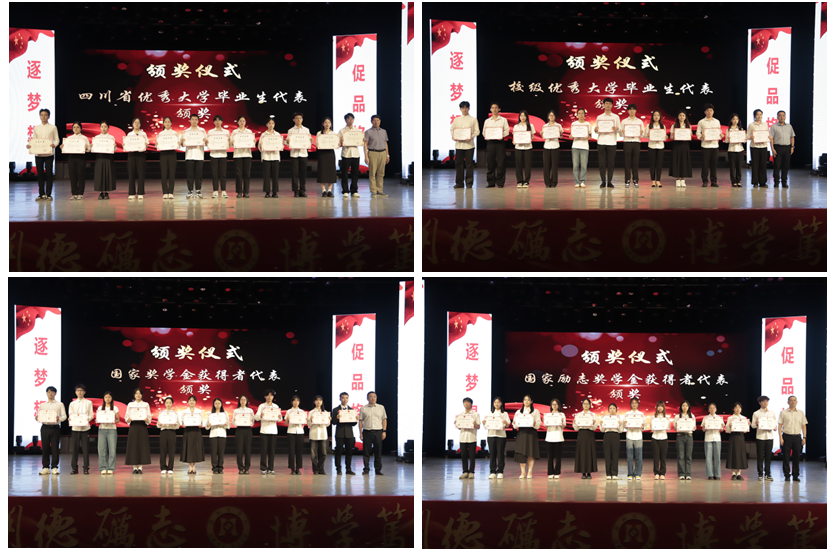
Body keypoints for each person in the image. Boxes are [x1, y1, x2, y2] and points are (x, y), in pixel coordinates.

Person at [28, 108, 59, 201]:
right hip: (39, 154)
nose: (43, 116)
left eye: (45, 115)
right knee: (40, 174)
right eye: (41, 115)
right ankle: (41, 194)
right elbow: (34, 140)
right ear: (40, 116)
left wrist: (54, 145)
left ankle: (49, 194)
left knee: (49, 174)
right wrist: (30, 145)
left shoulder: (53, 127)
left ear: (48, 116)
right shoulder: (36, 128)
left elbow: (57, 139)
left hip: (49, 154)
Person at [36, 386, 66, 474]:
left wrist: (59, 418)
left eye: (52, 392)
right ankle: (45, 467)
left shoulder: (60, 404)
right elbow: (40, 416)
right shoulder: (42, 405)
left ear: (55, 393)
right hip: (45, 427)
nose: (50, 393)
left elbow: (64, 416)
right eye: (48, 392)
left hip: (55, 428)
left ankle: (54, 467)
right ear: (46, 393)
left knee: (55, 448)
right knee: (45, 447)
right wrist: (37, 418)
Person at [777, 395, 807, 482]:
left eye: (794, 400)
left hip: (797, 437)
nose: (793, 402)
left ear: (796, 402)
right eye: (791, 400)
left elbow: (803, 426)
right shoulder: (783, 412)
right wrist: (781, 438)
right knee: (786, 457)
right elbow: (780, 425)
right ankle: (786, 475)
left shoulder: (801, 413)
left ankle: (795, 475)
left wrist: (804, 437)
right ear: (788, 402)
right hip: (786, 436)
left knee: (796, 457)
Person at [451, 101, 480, 189]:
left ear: (469, 108)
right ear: (460, 109)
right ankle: (459, 183)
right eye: (462, 107)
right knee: (458, 164)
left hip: (469, 145)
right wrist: (454, 136)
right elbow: (452, 129)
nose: (464, 109)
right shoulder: (456, 119)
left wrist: (471, 136)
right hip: (459, 145)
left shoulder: (473, 119)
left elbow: (477, 131)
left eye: (466, 107)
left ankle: (469, 183)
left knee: (469, 164)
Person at [594, 98, 621, 188]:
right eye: (606, 103)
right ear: (603, 105)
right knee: (602, 164)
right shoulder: (599, 117)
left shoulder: (616, 117)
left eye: (609, 103)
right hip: (601, 142)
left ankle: (609, 182)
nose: (608, 105)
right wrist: (595, 130)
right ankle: (603, 182)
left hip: (612, 142)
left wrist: (617, 128)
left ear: (612, 105)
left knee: (611, 164)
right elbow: (596, 130)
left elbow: (620, 129)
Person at [359, 390, 387, 475]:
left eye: (374, 397)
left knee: (378, 452)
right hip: (367, 432)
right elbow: (360, 421)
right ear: (367, 398)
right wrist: (361, 433)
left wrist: (384, 431)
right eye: (371, 397)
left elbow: (384, 419)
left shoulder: (381, 407)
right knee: (366, 452)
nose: (373, 398)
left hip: (378, 431)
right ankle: (366, 469)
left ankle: (378, 469)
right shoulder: (363, 408)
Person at [512, 394, 541, 478]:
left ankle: (530, 472)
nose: (526, 401)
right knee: (521, 453)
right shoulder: (518, 412)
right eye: (525, 400)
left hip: (531, 433)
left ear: (531, 401)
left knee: (531, 453)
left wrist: (535, 423)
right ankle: (523, 472)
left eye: (528, 400)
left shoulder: (535, 411)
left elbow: (538, 423)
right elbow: (515, 425)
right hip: (522, 433)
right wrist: (515, 424)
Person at [60, 121, 91, 200]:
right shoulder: (69, 138)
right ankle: (74, 193)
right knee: (72, 175)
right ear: (72, 129)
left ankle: (80, 193)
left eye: (78, 127)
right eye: (74, 127)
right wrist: (62, 147)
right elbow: (66, 149)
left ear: (81, 128)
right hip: (71, 158)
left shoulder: (84, 138)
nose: (76, 129)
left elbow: (89, 149)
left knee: (81, 175)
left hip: (81, 158)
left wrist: (87, 148)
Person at [68, 383, 94, 475]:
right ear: (75, 392)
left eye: (81, 390)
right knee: (74, 449)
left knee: (85, 449)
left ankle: (86, 468)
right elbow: (71, 415)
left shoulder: (88, 402)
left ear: (84, 392)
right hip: (75, 429)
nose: (79, 392)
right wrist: (70, 419)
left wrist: (86, 419)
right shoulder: (72, 403)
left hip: (85, 429)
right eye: (78, 390)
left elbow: (91, 415)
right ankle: (74, 468)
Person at [254, 389, 281, 474]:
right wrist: (260, 415)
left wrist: (279, 417)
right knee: (263, 450)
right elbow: (256, 417)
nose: (269, 397)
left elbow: (280, 419)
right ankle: (263, 468)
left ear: (273, 397)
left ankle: (271, 468)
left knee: (272, 451)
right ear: (265, 396)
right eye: (268, 395)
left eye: (271, 395)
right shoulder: (262, 406)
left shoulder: (276, 406)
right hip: (264, 431)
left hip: (273, 431)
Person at [483, 102, 510, 188]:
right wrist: (486, 136)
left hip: (500, 143)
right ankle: (491, 182)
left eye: (496, 108)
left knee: (501, 163)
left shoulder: (503, 120)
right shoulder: (487, 121)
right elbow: (484, 132)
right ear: (490, 109)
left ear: (499, 109)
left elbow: (507, 131)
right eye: (493, 108)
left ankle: (500, 182)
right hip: (490, 143)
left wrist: (501, 135)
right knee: (490, 163)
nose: (494, 109)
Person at [125, 387, 151, 474]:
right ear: (134, 395)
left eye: (140, 393)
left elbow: (149, 416)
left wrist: (147, 420)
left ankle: (140, 468)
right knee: (133, 446)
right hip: (133, 427)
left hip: (142, 427)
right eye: (136, 393)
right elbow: (126, 416)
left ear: (142, 395)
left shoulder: (146, 405)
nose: (138, 395)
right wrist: (128, 419)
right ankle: (134, 467)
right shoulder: (130, 405)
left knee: (142, 446)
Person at [181, 113, 207, 199]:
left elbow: (206, 143)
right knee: (190, 175)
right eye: (193, 119)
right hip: (189, 155)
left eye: (196, 119)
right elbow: (182, 144)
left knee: (199, 174)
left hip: (199, 155)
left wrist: (205, 141)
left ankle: (198, 190)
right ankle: (190, 191)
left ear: (198, 121)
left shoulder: (202, 131)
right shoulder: (186, 132)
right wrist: (182, 141)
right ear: (190, 120)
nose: (194, 121)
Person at [696, 103, 722, 187]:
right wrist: (701, 136)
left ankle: (714, 181)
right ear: (705, 112)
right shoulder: (701, 122)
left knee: (714, 165)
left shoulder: (717, 121)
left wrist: (721, 135)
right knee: (705, 165)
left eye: (711, 110)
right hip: (705, 146)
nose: (709, 112)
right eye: (708, 110)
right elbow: (697, 133)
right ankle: (705, 181)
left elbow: (719, 132)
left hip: (715, 146)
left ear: (713, 112)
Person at [751, 395, 777, 481]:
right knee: (760, 457)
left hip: (770, 437)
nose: (766, 403)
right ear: (760, 402)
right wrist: (756, 423)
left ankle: (768, 474)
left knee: (768, 456)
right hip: (760, 437)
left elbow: (774, 424)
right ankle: (760, 474)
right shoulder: (756, 413)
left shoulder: (772, 413)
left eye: (767, 401)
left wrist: (774, 427)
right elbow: (753, 425)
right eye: (764, 401)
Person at [364, 115, 390, 197]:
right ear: (371, 121)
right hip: (373, 152)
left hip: (383, 152)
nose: (376, 122)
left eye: (377, 120)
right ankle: (373, 191)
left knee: (381, 173)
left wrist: (387, 155)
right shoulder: (368, 132)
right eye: (374, 120)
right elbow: (365, 144)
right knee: (372, 173)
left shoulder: (384, 131)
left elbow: (385, 143)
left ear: (380, 121)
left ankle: (380, 190)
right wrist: (366, 156)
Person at [332, 392, 357, 475]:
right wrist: (336, 418)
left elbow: (353, 424)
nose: (345, 399)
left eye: (346, 398)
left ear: (348, 399)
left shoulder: (352, 410)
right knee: (338, 452)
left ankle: (348, 469)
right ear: (340, 399)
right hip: (340, 433)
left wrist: (356, 419)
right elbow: (333, 422)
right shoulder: (336, 410)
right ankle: (338, 469)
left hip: (349, 434)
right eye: (343, 397)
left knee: (349, 452)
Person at [287, 112, 311, 198]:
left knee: (303, 173)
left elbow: (309, 142)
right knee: (295, 174)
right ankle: (295, 191)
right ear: (293, 120)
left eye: (300, 118)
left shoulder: (306, 130)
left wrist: (310, 141)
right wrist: (287, 141)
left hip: (303, 154)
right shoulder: (290, 130)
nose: (298, 120)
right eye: (297, 118)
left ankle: (302, 190)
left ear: (302, 120)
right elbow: (287, 143)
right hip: (294, 154)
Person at [573, 398, 598, 479]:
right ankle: (583, 473)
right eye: (584, 404)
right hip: (581, 434)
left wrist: (593, 423)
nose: (586, 405)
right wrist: (574, 424)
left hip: (590, 434)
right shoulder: (578, 415)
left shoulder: (593, 415)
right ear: (582, 405)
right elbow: (576, 428)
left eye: (587, 404)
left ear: (590, 405)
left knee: (589, 453)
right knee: (582, 453)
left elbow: (595, 427)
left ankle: (589, 473)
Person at [179, 394, 205, 474]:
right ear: (188, 402)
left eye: (193, 400)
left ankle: (194, 467)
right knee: (188, 449)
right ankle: (190, 467)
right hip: (188, 431)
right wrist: (183, 424)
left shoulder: (199, 411)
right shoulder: (184, 412)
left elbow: (202, 421)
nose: (191, 402)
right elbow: (182, 421)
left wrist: (201, 424)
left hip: (197, 431)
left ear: (195, 402)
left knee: (196, 449)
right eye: (190, 400)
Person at [456, 397, 481, 479]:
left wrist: (473, 424)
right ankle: (465, 472)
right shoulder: (460, 415)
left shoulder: (475, 414)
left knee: (472, 456)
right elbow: (459, 427)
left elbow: (478, 426)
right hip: (463, 438)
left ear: (471, 404)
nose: (466, 403)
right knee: (463, 456)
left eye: (468, 402)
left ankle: (472, 472)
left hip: (472, 437)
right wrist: (457, 424)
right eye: (465, 402)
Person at [769, 110, 795, 188]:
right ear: (777, 117)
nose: (781, 117)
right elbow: (771, 139)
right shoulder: (773, 126)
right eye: (780, 115)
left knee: (785, 166)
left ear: (785, 117)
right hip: (777, 147)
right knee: (777, 166)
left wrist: (792, 147)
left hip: (787, 147)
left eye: (783, 115)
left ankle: (784, 182)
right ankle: (776, 182)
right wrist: (772, 149)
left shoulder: (789, 126)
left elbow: (792, 137)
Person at [486, 397, 511, 479]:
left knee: (500, 453)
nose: (496, 404)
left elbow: (508, 425)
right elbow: (486, 424)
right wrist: (484, 422)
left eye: (498, 402)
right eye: (495, 402)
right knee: (492, 454)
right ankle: (492, 471)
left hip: (501, 436)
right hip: (491, 435)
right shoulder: (490, 413)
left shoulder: (504, 414)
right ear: (493, 404)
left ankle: (500, 471)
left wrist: (506, 422)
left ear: (501, 404)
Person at [96, 390, 119, 475]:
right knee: (102, 450)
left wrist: (112, 420)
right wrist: (97, 420)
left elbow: (118, 420)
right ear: (103, 398)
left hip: (112, 429)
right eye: (106, 397)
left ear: (112, 398)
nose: (107, 398)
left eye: (109, 397)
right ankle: (103, 468)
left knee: (112, 450)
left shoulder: (115, 408)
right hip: (102, 429)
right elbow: (97, 419)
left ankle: (111, 468)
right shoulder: (100, 408)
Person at [338, 113, 361, 198]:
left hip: (355, 154)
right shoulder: (342, 131)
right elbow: (338, 144)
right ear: (345, 120)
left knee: (355, 173)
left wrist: (362, 140)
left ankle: (354, 190)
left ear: (353, 120)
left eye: (352, 118)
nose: (350, 120)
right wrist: (341, 142)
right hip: (346, 154)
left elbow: (360, 142)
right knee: (344, 173)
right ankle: (345, 191)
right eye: (348, 118)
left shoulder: (357, 131)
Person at [126, 117, 149, 201]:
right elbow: (127, 144)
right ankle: (131, 193)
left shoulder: (143, 134)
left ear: (140, 124)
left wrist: (145, 144)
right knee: (131, 174)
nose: (136, 124)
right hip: (131, 155)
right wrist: (125, 145)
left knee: (141, 174)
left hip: (141, 155)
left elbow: (147, 144)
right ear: (132, 124)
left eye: (138, 122)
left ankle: (140, 193)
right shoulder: (129, 134)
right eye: (135, 122)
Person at [700, 402, 725, 480]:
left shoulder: (719, 418)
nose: (712, 409)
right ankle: (710, 474)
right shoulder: (706, 418)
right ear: (708, 409)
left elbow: (722, 430)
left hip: (717, 438)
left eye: (713, 408)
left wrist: (722, 427)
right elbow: (703, 429)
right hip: (708, 438)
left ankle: (717, 474)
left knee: (717, 457)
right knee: (708, 457)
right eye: (710, 408)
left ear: (716, 409)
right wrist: (704, 427)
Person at [726, 402, 750, 480]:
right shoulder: (730, 418)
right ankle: (733, 473)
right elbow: (727, 430)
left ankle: (739, 473)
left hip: (740, 437)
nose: (738, 409)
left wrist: (748, 425)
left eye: (739, 407)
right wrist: (729, 426)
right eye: (736, 407)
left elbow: (745, 431)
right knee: (733, 454)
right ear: (733, 409)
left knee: (740, 454)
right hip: (733, 437)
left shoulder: (744, 418)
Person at [621, 104, 644, 188]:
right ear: (628, 111)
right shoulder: (624, 121)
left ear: (635, 111)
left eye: (633, 109)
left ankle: (635, 180)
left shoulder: (640, 121)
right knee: (627, 162)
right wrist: (622, 132)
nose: (632, 111)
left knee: (635, 162)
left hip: (636, 142)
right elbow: (620, 134)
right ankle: (627, 180)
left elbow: (643, 134)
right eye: (630, 109)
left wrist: (641, 133)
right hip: (627, 142)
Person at [208, 115, 230, 199]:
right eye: (216, 120)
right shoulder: (210, 132)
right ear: (214, 122)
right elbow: (208, 143)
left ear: (222, 122)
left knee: (223, 174)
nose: (217, 122)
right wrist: (206, 142)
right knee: (214, 174)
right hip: (213, 155)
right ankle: (215, 191)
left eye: (219, 120)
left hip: (223, 154)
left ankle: (223, 191)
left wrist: (230, 142)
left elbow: (229, 144)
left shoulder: (226, 132)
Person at [230, 116, 253, 198]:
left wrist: (253, 142)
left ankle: (246, 192)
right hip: (238, 155)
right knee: (238, 174)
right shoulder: (235, 132)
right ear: (238, 122)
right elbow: (230, 144)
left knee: (247, 174)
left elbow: (252, 143)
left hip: (247, 154)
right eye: (240, 121)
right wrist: (232, 142)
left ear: (245, 122)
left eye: (243, 121)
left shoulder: (249, 132)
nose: (242, 122)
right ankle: (239, 192)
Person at [623, 397, 645, 480]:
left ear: (638, 404)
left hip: (638, 436)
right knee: (629, 457)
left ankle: (637, 473)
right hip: (629, 436)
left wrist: (643, 426)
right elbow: (624, 426)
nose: (634, 404)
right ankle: (630, 474)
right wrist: (625, 424)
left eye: (636, 403)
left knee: (639, 456)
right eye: (633, 403)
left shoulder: (641, 414)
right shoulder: (627, 414)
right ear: (630, 404)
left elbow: (644, 425)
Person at [669, 111, 693, 187]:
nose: (682, 117)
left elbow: (690, 137)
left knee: (684, 162)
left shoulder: (688, 126)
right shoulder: (674, 126)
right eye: (680, 115)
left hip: (685, 146)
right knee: (676, 161)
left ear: (685, 117)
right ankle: (677, 180)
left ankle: (683, 180)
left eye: (683, 115)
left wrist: (690, 135)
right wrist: (673, 135)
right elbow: (671, 137)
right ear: (678, 117)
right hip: (676, 145)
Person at [206, 397, 230, 474]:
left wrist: (226, 424)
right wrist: (208, 425)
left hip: (222, 434)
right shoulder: (210, 414)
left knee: (221, 452)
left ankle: (220, 467)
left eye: (219, 403)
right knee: (213, 452)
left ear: (221, 404)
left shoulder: (225, 414)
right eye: (216, 403)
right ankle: (214, 468)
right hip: (213, 434)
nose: (217, 405)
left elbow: (228, 426)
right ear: (213, 404)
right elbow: (206, 427)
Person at [259, 118, 281, 198]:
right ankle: (267, 192)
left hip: (275, 156)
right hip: (266, 157)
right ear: (266, 125)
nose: (271, 125)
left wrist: (281, 144)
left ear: (274, 124)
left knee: (275, 175)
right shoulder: (263, 135)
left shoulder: (277, 134)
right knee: (266, 175)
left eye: (272, 123)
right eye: (269, 123)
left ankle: (275, 192)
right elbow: (260, 147)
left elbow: (280, 145)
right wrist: (260, 146)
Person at [93, 121, 116, 200]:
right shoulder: (96, 138)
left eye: (105, 126)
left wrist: (114, 146)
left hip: (108, 158)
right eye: (102, 126)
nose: (103, 128)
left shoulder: (111, 138)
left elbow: (114, 149)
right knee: (100, 175)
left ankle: (106, 192)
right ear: (100, 128)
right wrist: (92, 146)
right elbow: (93, 149)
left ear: (108, 128)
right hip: (100, 157)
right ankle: (100, 192)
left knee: (107, 174)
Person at [233, 395, 255, 474]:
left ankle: (247, 468)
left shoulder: (250, 411)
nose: (243, 401)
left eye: (244, 399)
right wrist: (235, 421)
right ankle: (240, 468)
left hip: (248, 430)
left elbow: (252, 422)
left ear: (247, 401)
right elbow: (233, 423)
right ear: (239, 401)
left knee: (248, 450)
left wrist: (251, 421)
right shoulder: (236, 411)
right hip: (239, 430)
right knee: (239, 450)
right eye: (241, 399)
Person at [157, 117, 179, 199]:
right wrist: (157, 145)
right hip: (163, 154)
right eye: (165, 122)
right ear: (163, 123)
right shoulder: (160, 134)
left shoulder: (175, 133)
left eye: (169, 122)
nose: (167, 123)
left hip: (172, 153)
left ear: (171, 123)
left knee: (172, 173)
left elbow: (178, 144)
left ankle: (171, 192)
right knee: (164, 173)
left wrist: (178, 144)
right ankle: (165, 192)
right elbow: (158, 145)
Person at [308, 395, 331, 474]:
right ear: (314, 402)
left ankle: (321, 468)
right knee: (313, 454)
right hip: (314, 434)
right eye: (317, 400)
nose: (318, 402)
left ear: (322, 402)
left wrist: (329, 420)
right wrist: (310, 420)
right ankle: (315, 470)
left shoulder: (325, 412)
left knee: (323, 454)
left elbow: (327, 425)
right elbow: (309, 424)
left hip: (323, 434)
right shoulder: (311, 412)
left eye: (320, 400)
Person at [600, 402, 622, 480]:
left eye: (613, 408)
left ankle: (614, 473)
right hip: (607, 435)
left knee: (615, 455)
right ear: (608, 410)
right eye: (610, 408)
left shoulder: (619, 418)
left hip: (615, 435)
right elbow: (602, 430)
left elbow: (621, 430)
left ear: (616, 410)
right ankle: (608, 473)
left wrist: (620, 425)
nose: (612, 410)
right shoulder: (604, 418)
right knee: (607, 455)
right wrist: (601, 424)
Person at [545, 398, 566, 480]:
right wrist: (546, 422)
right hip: (549, 437)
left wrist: (561, 422)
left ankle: (557, 472)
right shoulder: (548, 415)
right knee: (550, 456)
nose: (554, 406)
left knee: (558, 456)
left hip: (558, 437)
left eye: (556, 404)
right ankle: (550, 472)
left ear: (558, 405)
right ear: (551, 406)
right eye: (553, 404)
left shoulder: (561, 415)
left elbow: (563, 426)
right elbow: (546, 426)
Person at [643, 110, 665, 188]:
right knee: (652, 164)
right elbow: (645, 137)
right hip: (651, 146)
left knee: (659, 165)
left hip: (660, 146)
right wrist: (648, 135)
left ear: (660, 117)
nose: (656, 117)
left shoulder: (663, 126)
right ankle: (653, 181)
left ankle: (658, 181)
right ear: (652, 117)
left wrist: (665, 137)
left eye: (658, 115)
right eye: (655, 115)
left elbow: (664, 137)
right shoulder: (649, 126)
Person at [513, 110, 535, 188]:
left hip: (528, 147)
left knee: (527, 165)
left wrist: (528, 139)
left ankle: (526, 182)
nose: (523, 117)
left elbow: (532, 136)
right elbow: (514, 137)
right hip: (518, 147)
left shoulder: (531, 125)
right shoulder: (516, 126)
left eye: (524, 116)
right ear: (519, 117)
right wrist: (514, 141)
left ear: (527, 117)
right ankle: (519, 181)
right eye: (521, 116)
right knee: (518, 165)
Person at [747, 109, 769, 187]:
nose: (759, 116)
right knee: (755, 164)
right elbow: (747, 136)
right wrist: (751, 137)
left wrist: (768, 137)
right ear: (754, 116)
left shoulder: (765, 124)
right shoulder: (751, 125)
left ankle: (763, 182)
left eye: (760, 114)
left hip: (763, 146)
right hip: (754, 147)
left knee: (763, 164)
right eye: (757, 114)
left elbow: (767, 134)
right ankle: (755, 182)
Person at [316, 118, 337, 197]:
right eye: (325, 122)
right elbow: (316, 144)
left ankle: (330, 191)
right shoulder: (319, 133)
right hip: (322, 153)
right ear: (323, 124)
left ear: (331, 124)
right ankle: (323, 190)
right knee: (323, 171)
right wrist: (317, 144)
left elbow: (336, 143)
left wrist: (338, 144)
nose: (327, 124)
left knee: (331, 171)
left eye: (329, 122)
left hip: (330, 153)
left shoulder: (334, 134)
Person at [157, 396, 179, 474]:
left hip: (172, 432)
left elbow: (178, 426)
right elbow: (158, 425)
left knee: (171, 451)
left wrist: (175, 425)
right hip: (163, 432)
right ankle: (163, 467)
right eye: (167, 402)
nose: (168, 404)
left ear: (172, 404)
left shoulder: (175, 414)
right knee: (163, 450)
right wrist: (159, 424)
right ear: (165, 404)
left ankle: (170, 468)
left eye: (170, 402)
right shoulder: (161, 413)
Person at [674, 400, 695, 480]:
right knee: (681, 456)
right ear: (681, 407)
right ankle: (681, 474)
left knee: (688, 456)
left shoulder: (692, 416)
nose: (685, 407)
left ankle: (688, 474)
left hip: (689, 436)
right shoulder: (677, 417)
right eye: (683, 405)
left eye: (686, 405)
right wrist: (676, 426)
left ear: (688, 407)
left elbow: (693, 428)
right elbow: (675, 428)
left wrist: (694, 428)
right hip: (680, 436)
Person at [571, 109, 592, 188]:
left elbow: (590, 135)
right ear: (577, 115)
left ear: (584, 114)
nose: (581, 115)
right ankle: (577, 182)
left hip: (584, 146)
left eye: (582, 113)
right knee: (575, 166)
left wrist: (588, 137)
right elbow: (571, 135)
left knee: (583, 166)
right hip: (575, 146)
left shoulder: (588, 124)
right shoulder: (574, 124)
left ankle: (582, 181)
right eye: (579, 113)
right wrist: (571, 136)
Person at [542, 110, 563, 188]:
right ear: (548, 117)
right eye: (550, 115)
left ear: (555, 117)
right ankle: (547, 182)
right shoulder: (545, 126)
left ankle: (554, 182)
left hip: (555, 146)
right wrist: (542, 134)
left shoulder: (558, 126)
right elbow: (543, 137)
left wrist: (560, 133)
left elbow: (561, 137)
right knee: (546, 166)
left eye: (553, 115)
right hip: (547, 146)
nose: (551, 117)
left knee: (554, 166)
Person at [285, 394, 306, 474]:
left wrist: (305, 420)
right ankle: (292, 469)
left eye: (297, 400)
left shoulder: (302, 412)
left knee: (299, 451)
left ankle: (298, 468)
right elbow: (286, 423)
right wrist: (287, 419)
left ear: (299, 402)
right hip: (291, 432)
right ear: (292, 402)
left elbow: (304, 422)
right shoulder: (289, 411)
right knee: (291, 451)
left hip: (300, 432)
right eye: (294, 400)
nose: (296, 402)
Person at [725, 113, 746, 187]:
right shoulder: (728, 130)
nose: (735, 120)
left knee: (739, 166)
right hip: (731, 150)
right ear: (731, 120)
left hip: (740, 150)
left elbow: (743, 140)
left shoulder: (741, 129)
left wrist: (744, 139)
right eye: (733, 119)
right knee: (732, 167)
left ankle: (738, 180)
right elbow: (726, 141)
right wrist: (728, 139)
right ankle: (733, 181)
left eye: (737, 119)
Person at [650, 401, 670, 480]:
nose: (660, 408)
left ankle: (662, 473)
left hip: (664, 437)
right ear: (656, 407)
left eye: (662, 406)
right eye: (658, 406)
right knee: (656, 457)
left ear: (664, 408)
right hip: (655, 437)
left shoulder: (666, 417)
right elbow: (651, 429)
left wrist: (666, 426)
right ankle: (656, 473)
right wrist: (652, 426)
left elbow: (668, 428)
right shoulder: (653, 417)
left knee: (663, 457)